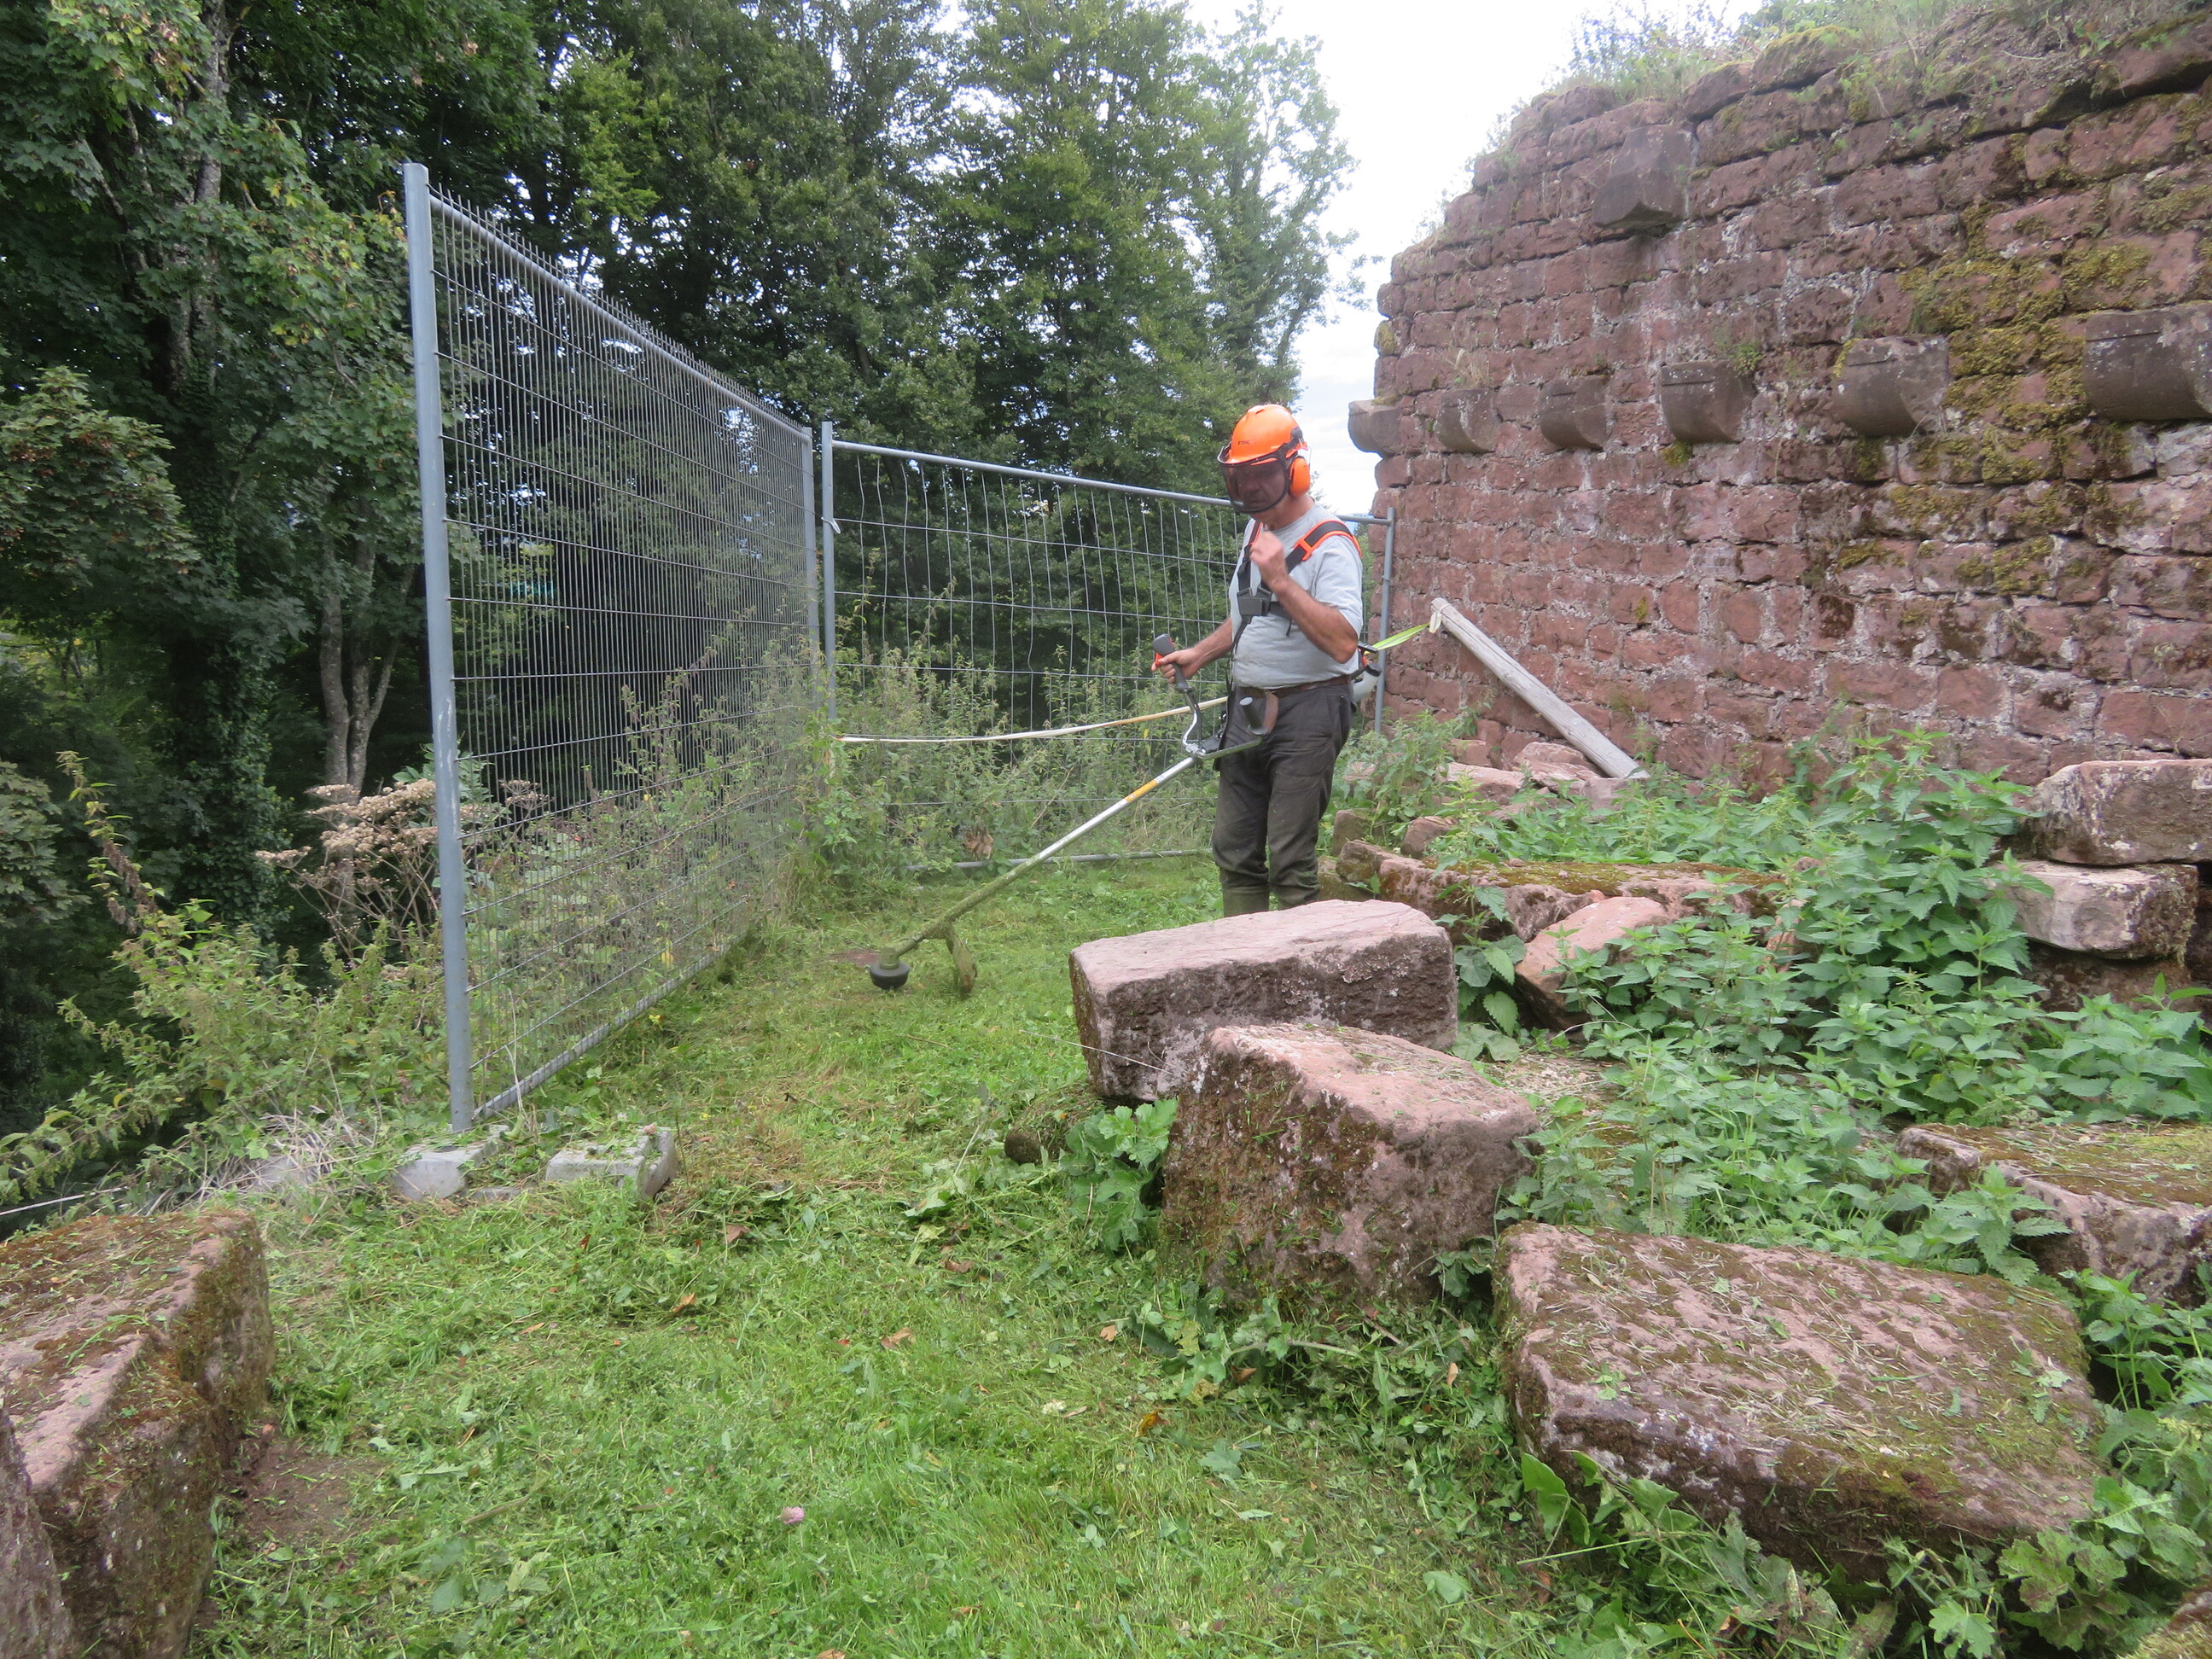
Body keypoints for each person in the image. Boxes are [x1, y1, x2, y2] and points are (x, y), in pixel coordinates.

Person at [1154, 404, 1365, 916]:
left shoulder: (1332, 543)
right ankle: (1242, 954)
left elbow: (1343, 643)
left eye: (1261, 474)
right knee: (1234, 849)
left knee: (1289, 860)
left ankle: (1297, 961)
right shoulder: (1257, 531)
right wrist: (1200, 654)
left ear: (1296, 470)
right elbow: (1251, 613)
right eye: (1240, 477)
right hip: (1247, 708)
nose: (1249, 488)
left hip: (1310, 712)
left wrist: (1283, 580)